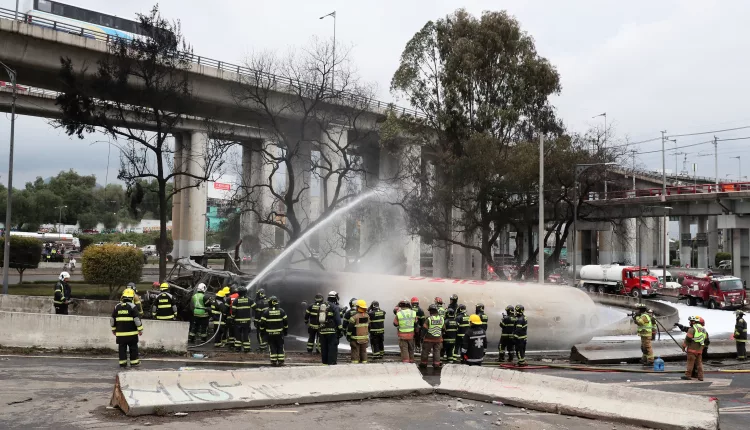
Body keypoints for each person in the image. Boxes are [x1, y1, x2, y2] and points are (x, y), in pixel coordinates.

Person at [110, 288, 143, 368]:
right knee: (133, 348)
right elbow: (137, 319)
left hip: (120, 335)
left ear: (122, 297)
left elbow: (112, 319)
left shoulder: (117, 307)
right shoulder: (133, 307)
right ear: (132, 298)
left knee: (122, 349)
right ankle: (134, 363)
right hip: (132, 334)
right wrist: (140, 329)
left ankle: (122, 363)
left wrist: (113, 329)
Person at [259, 295, 288, 366]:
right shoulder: (282, 311)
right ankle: (281, 360)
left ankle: (274, 361)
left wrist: (262, 331)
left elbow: (262, 323)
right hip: (279, 333)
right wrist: (285, 330)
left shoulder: (266, 312)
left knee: (272, 346)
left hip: (270, 333)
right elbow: (285, 322)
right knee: (280, 346)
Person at [319, 291, 343, 365]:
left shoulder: (322, 305)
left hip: (322, 330)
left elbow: (318, 318)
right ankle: (331, 363)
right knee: (332, 347)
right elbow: (338, 319)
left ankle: (324, 363)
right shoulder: (335, 307)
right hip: (332, 331)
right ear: (335, 298)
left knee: (324, 347)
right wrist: (340, 329)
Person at [681, 316, 706, 381]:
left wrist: (684, 346)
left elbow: (688, 339)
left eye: (690, 321)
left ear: (693, 322)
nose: (689, 322)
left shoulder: (692, 329)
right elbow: (705, 339)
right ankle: (701, 376)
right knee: (699, 364)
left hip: (692, 350)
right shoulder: (703, 329)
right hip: (699, 350)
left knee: (690, 363)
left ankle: (688, 375)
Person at [420, 304, 444, 368]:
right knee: (437, 351)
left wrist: (421, 337)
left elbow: (424, 329)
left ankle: (423, 363)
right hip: (438, 339)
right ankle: (436, 364)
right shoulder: (441, 319)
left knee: (425, 351)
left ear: (431, 311)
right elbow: (444, 328)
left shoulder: (429, 319)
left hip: (429, 339)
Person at [393, 298, 417, 363]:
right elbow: (416, 322)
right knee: (411, 348)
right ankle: (411, 360)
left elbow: (395, 324)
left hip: (402, 335)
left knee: (404, 349)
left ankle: (406, 361)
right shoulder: (413, 313)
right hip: (411, 334)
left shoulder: (399, 313)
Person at [231, 286, 254, 352]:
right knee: (246, 334)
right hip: (247, 321)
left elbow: (233, 311)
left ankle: (238, 348)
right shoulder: (249, 300)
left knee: (238, 335)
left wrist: (232, 317)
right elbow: (255, 307)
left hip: (238, 321)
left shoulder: (235, 301)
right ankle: (247, 348)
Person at [347, 299, 370, 364]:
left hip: (355, 339)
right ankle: (364, 363)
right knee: (363, 352)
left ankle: (355, 364)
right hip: (364, 338)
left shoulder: (354, 317)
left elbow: (350, 328)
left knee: (355, 351)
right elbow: (369, 325)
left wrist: (348, 336)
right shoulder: (367, 316)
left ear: (358, 307)